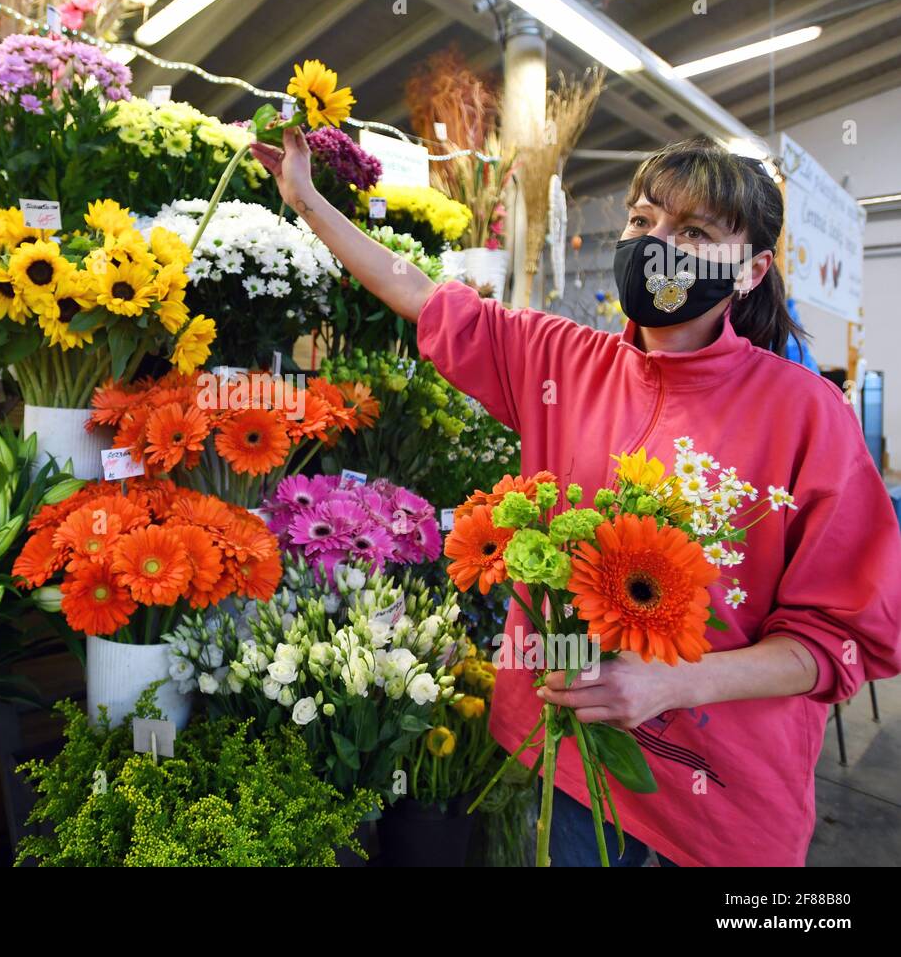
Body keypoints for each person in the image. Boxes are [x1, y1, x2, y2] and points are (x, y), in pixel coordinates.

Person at [250, 132, 901, 866]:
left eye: (692, 232)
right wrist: (308, 201)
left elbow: (844, 640)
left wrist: (672, 682)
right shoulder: (563, 362)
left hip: (723, 798)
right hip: (573, 770)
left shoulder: (808, 415)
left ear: (751, 271)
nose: (657, 244)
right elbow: (418, 294)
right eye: (644, 219)